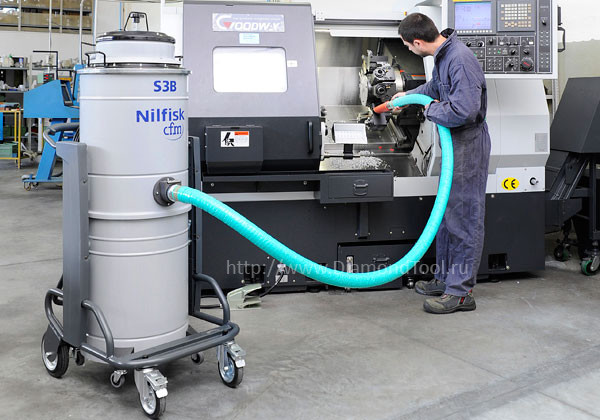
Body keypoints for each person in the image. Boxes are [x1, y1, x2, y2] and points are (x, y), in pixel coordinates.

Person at [394, 13, 491, 314]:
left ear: (417, 42)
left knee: (464, 216)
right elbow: (435, 89)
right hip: (455, 143)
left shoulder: (459, 59)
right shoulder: (444, 55)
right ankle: (446, 279)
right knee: (448, 216)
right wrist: (407, 97)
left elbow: (464, 110)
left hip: (468, 143)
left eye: (407, 46)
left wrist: (429, 111)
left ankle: (461, 293)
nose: (408, 50)